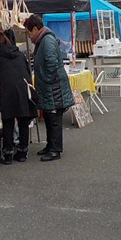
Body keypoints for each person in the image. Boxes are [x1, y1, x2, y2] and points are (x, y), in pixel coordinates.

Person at [0, 31, 35, 164]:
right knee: (23, 120)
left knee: (8, 121)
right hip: (24, 88)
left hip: (8, 90)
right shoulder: (19, 54)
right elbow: (27, 71)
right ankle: (22, 152)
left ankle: (8, 154)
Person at [25, 13, 73, 162]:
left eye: (28, 32)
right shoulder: (43, 40)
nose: (28, 36)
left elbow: (51, 63)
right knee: (48, 115)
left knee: (54, 117)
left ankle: (55, 149)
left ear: (34, 28)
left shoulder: (47, 40)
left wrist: (47, 80)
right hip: (49, 86)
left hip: (53, 86)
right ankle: (50, 145)